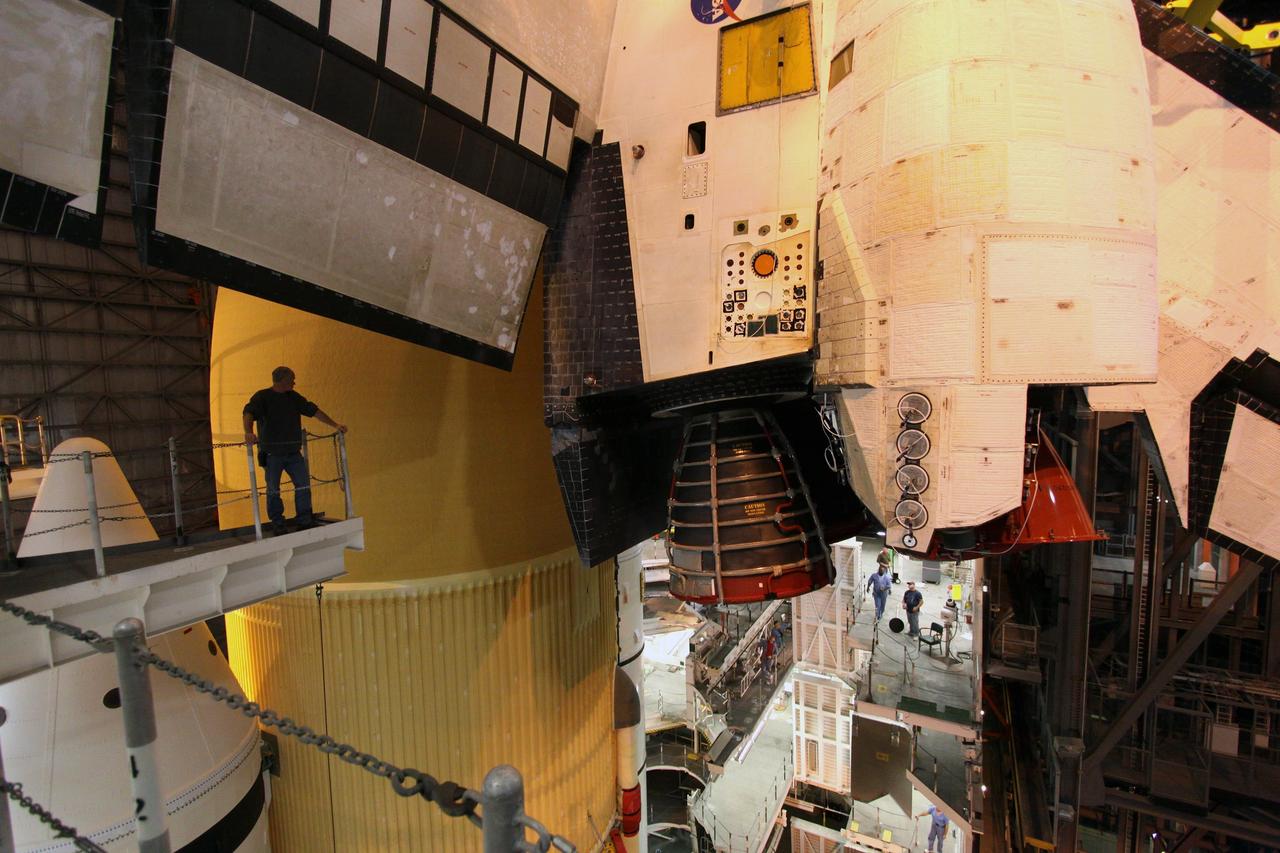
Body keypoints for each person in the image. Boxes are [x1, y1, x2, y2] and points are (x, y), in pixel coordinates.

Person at [243, 366, 347, 534]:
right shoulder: (262, 397)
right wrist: (248, 432)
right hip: (272, 454)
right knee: (273, 489)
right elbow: (248, 413)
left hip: (293, 452)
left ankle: (304, 521)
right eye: (292, 379)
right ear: (283, 381)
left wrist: (335, 425)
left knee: (303, 485)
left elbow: (314, 411)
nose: (294, 382)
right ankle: (278, 523)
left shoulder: (293, 398)